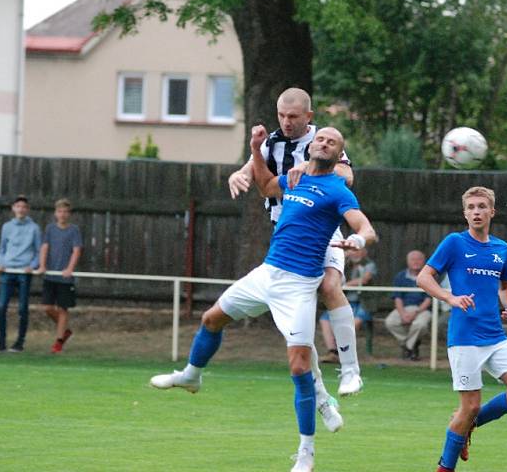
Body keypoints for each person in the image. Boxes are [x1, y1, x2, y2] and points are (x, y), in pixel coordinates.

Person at [151, 125, 377, 472]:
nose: (324, 143)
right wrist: (256, 148)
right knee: (211, 319)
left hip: (299, 286)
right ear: (312, 146)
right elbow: (266, 186)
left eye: (332, 142)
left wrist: (358, 241)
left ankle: (306, 454)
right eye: (321, 139)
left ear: (338, 153)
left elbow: (366, 228)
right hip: (266, 274)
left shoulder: (337, 189)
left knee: (299, 366)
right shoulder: (294, 177)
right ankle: (192, 375)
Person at [228, 87, 364, 396]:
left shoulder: (322, 140)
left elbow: (346, 174)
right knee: (294, 328)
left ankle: (351, 371)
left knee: (330, 287)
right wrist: (238, 174)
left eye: (293, 117)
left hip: (322, 231)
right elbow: (257, 174)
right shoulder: (273, 142)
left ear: (309, 117)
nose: (286, 122)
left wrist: (306, 167)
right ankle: (318, 390)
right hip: (285, 237)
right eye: (282, 116)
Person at [417, 186, 507, 472]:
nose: (476, 212)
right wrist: (450, 297)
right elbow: (424, 277)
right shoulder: (454, 243)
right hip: (465, 338)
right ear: (465, 213)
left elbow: (505, 285)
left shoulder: (501, 248)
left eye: (482, 206)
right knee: (468, 407)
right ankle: (445, 467)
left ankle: (469, 426)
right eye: (470, 208)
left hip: (495, 336)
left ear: (492, 211)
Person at [36, 198, 83, 354]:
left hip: (65, 278)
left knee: (63, 309)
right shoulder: (50, 229)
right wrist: (42, 265)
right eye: (59, 211)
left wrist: (69, 268)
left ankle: (59, 341)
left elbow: (76, 250)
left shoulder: (74, 230)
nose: (62, 214)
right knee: (48, 308)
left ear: (69, 214)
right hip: (50, 275)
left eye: (65, 212)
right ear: (56, 213)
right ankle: (64, 331)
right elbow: (44, 247)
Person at [0, 195, 41, 353]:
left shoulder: (34, 228)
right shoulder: (7, 227)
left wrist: (33, 265)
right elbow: (1, 249)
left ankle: (19, 343)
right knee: (1, 307)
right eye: (18, 206)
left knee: (23, 308)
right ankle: (1, 342)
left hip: (24, 272)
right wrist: (1, 263)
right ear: (13, 208)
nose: (21, 209)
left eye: (24, 207)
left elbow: (38, 251)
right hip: (7, 271)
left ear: (27, 210)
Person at [319, 246, 376, 364]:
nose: (354, 254)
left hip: (364, 302)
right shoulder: (344, 265)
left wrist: (345, 285)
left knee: (352, 324)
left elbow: (365, 279)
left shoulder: (370, 265)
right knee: (325, 320)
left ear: (364, 252)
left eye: (357, 251)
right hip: (344, 300)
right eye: (352, 251)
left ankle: (344, 354)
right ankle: (332, 352)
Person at [385, 250, 431, 360]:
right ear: (407, 261)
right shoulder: (400, 276)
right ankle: (411, 345)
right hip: (404, 308)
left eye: (419, 259)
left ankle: (407, 347)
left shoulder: (430, 276)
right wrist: (402, 314)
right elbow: (398, 298)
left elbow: (429, 299)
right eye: (413, 259)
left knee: (420, 325)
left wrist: (416, 312)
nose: (416, 262)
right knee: (390, 322)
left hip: (422, 309)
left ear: (424, 261)